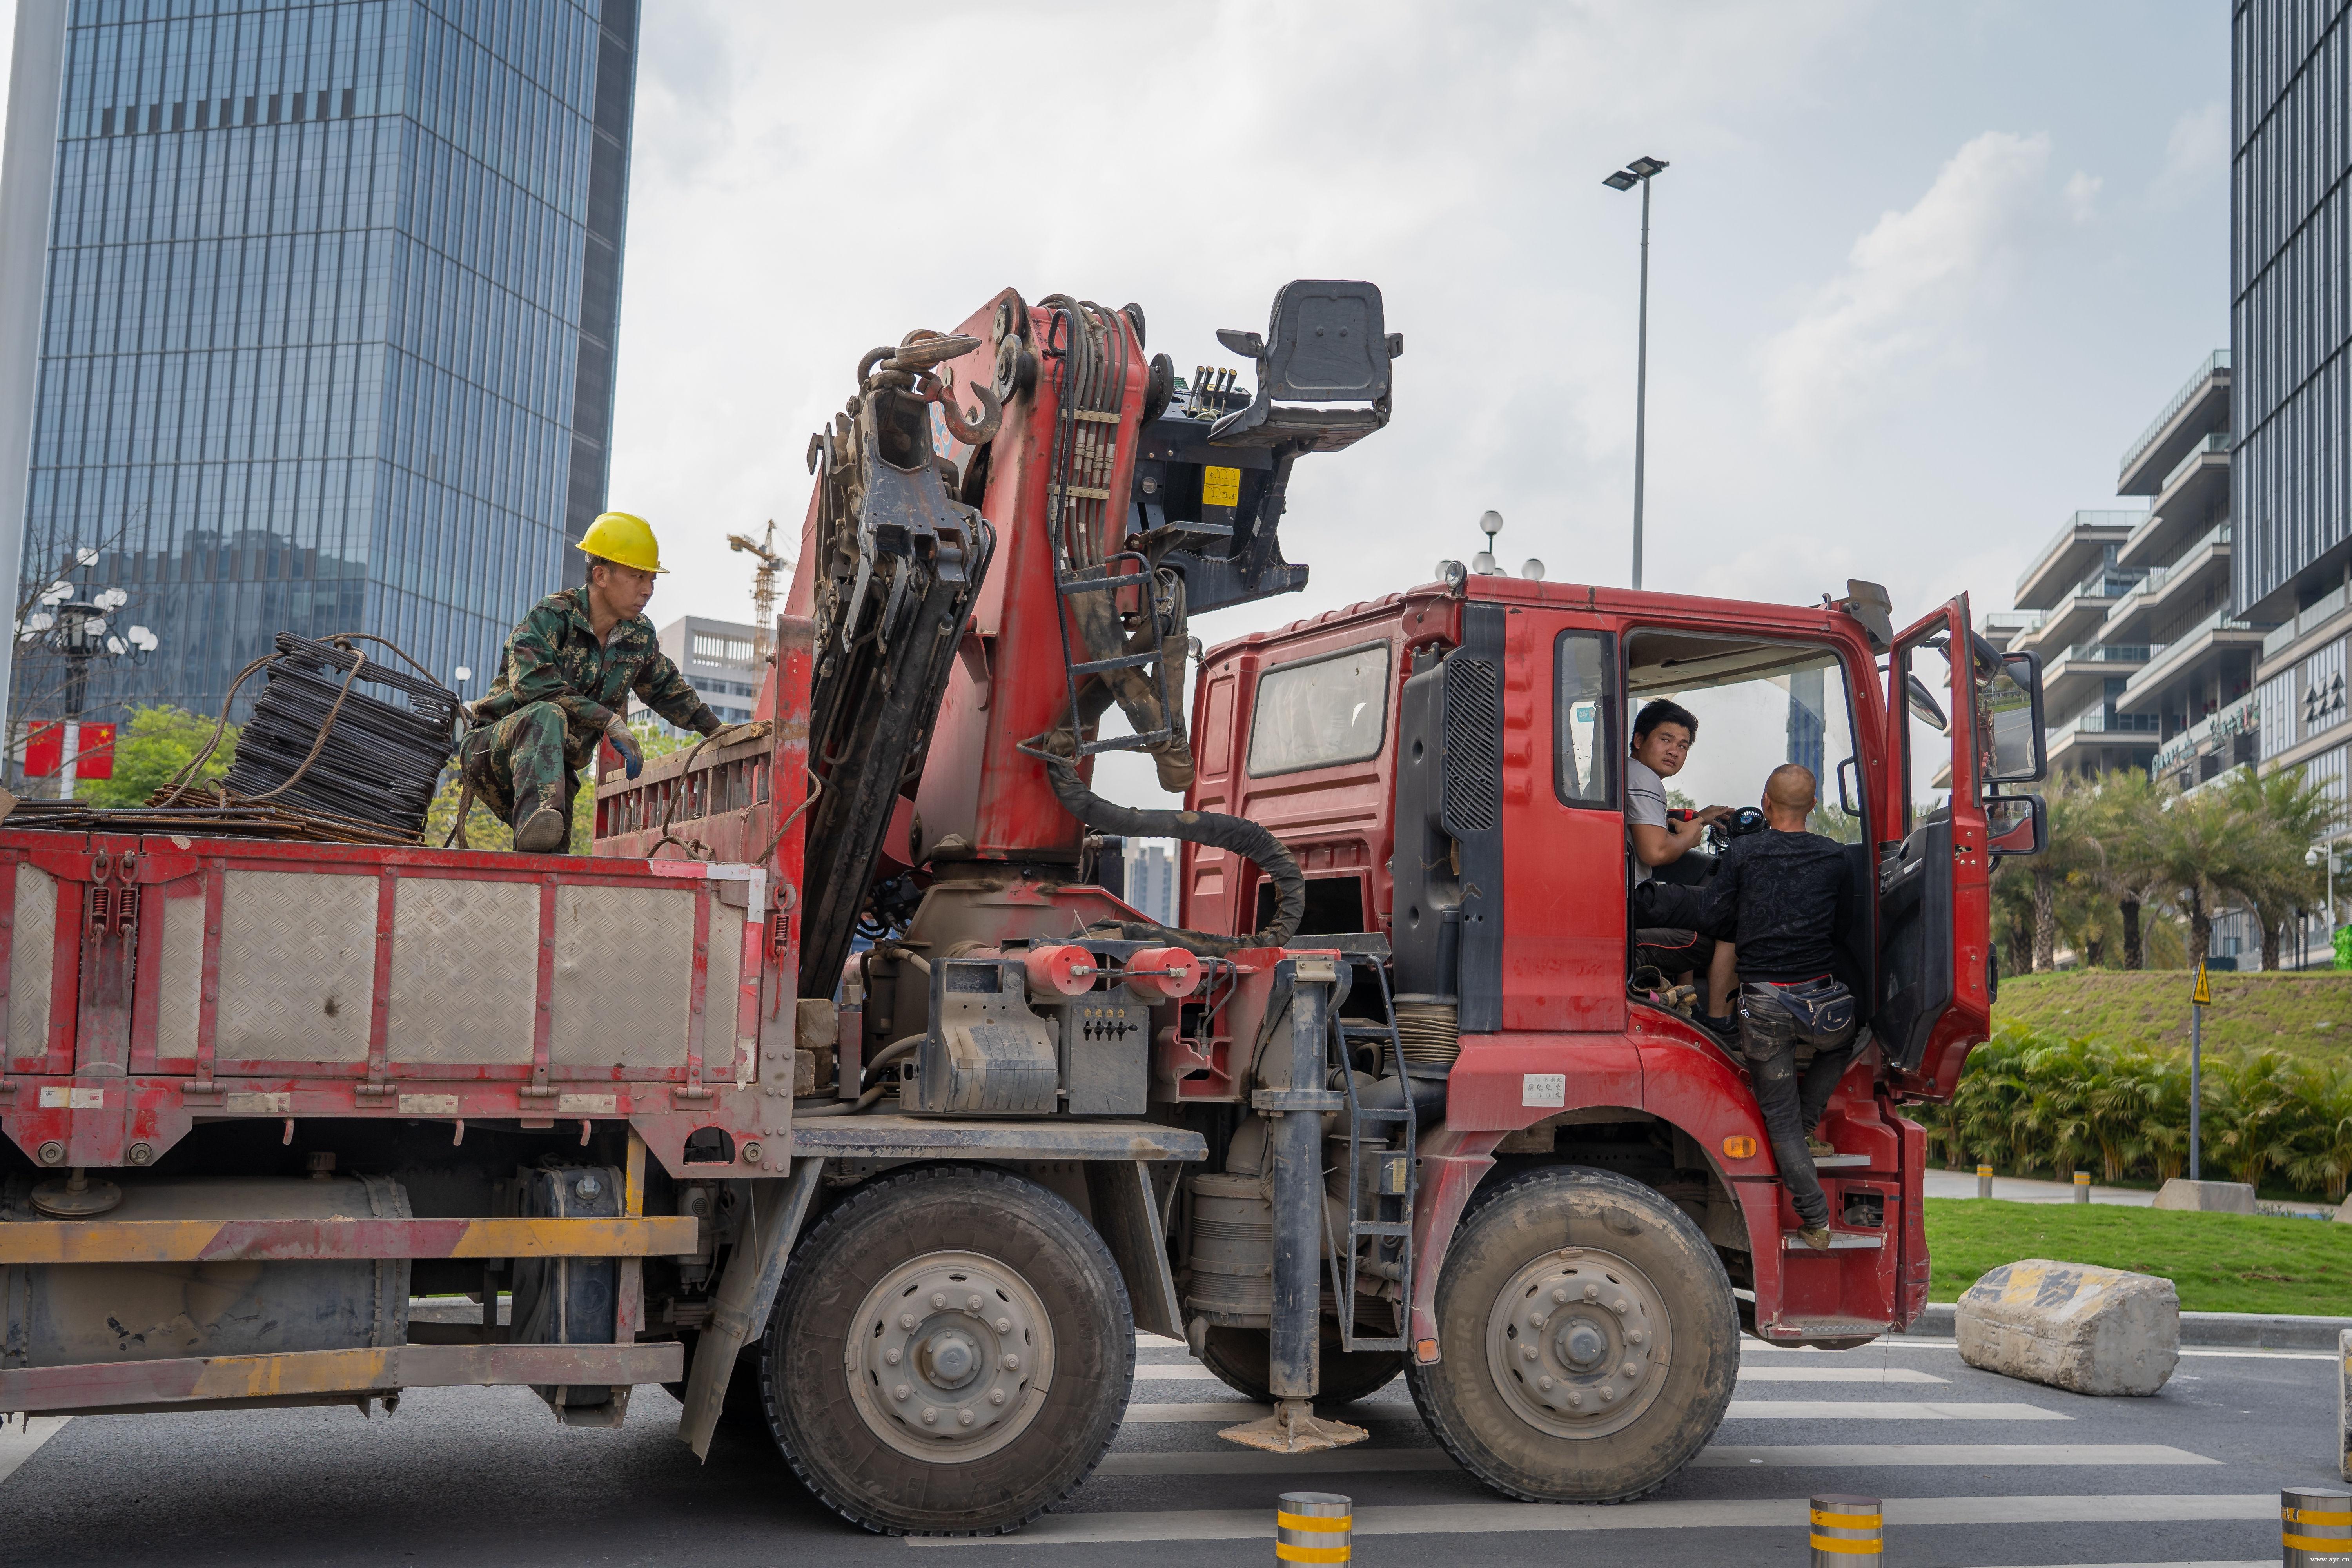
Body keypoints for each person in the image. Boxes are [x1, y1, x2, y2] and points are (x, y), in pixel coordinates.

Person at [459, 512, 733, 852]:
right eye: (637, 577)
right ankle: (539, 815)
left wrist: (717, 730)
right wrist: (610, 721)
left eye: (652, 580)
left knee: (548, 864)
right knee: (546, 713)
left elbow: (666, 688)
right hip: (492, 752)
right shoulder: (553, 616)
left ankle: (538, 834)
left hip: (553, 774)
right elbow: (533, 686)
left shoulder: (638, 636)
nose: (647, 590)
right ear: (601, 575)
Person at [1700, 762, 1859, 1251]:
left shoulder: (1745, 854)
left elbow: (1715, 916)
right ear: (1814, 806)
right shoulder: (1836, 858)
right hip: (1824, 1005)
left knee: (1781, 1119)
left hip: (1764, 1007)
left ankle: (1817, 1219)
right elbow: (1844, 926)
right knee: (1847, 1039)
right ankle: (1812, 1124)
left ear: (1766, 805)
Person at [1624, 699, 1739, 1033]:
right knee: (1732, 915)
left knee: (1698, 909)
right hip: (1636, 897)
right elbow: (1656, 853)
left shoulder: (1628, 773)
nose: (1674, 751)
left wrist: (1700, 818)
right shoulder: (1645, 780)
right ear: (1639, 740)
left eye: (1683, 745)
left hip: (1630, 893)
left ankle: (1687, 1002)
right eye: (1665, 739)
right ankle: (1718, 1021)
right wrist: (1691, 838)